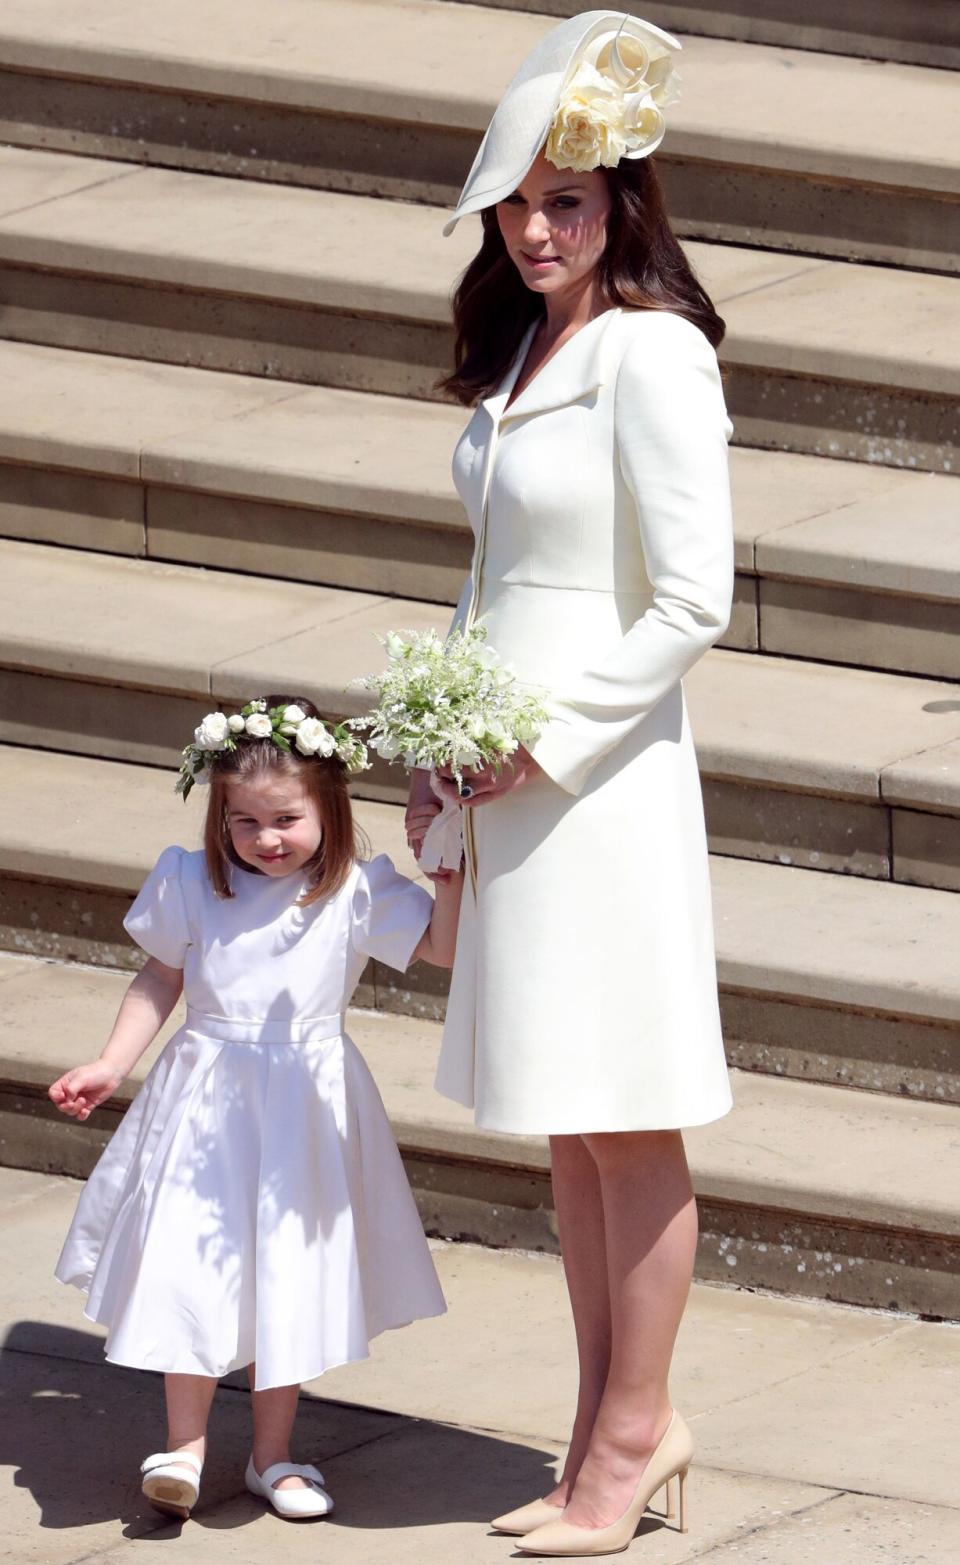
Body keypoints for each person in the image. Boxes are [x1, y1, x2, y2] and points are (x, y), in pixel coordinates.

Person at [406, 11, 734, 1557]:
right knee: (568, 1124)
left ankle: (631, 1438)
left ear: (622, 208)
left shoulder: (651, 354)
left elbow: (691, 601)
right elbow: (499, 582)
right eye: (520, 203)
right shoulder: (532, 347)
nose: (537, 229)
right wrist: (447, 759)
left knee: (631, 1112)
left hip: (600, 789)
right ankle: (606, 1417)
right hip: (511, 784)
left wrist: (541, 738)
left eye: (570, 203)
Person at [51, 695, 461, 1522]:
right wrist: (110, 1060)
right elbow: (162, 975)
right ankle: (185, 1446)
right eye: (244, 821)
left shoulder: (351, 889)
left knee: (286, 1272)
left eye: (285, 818)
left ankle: (274, 1455)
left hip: (305, 1107)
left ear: (329, 808)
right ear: (218, 815)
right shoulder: (192, 882)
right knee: (189, 1266)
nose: (266, 838)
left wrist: (449, 860)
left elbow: (442, 947)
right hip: (204, 1097)